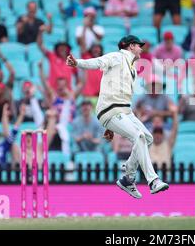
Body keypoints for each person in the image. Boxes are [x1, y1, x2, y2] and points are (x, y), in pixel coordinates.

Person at [66, 35, 169, 198]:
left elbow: (119, 93)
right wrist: (78, 62)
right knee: (139, 136)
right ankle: (153, 180)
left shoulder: (133, 69)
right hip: (110, 109)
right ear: (130, 46)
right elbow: (97, 62)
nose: (141, 49)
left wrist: (110, 126)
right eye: (139, 46)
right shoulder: (117, 56)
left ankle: (128, 178)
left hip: (125, 111)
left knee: (147, 138)